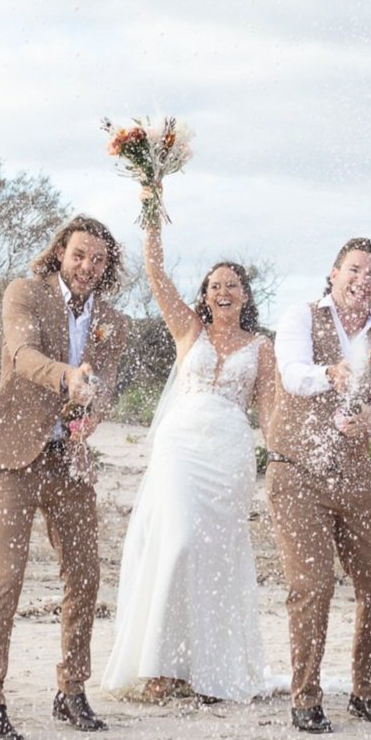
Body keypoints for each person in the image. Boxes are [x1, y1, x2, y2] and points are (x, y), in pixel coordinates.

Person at [100, 189, 277, 704]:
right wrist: (151, 207)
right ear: (205, 294)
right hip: (181, 449)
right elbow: (154, 274)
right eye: (215, 284)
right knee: (176, 543)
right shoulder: (189, 330)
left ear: (245, 295)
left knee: (214, 556)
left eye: (233, 284)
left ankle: (207, 669)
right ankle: (162, 666)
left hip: (229, 455)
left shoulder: (261, 348)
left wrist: (287, 461)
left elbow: (269, 414)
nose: (224, 290)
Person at [0, 215, 129, 740]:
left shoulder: (112, 320)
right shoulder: (26, 294)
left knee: (85, 575)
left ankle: (71, 690)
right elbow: (21, 355)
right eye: (80, 254)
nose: (87, 266)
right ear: (61, 251)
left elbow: (102, 389)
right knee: (6, 577)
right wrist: (68, 377)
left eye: (98, 259)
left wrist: (91, 416)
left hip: (70, 458)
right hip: (16, 452)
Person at [268, 237, 371, 733]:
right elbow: (292, 376)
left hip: (357, 475)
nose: (362, 280)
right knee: (312, 585)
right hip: (297, 471)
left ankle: (367, 692)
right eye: (354, 270)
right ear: (333, 274)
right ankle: (305, 697)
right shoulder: (302, 317)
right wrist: (332, 373)